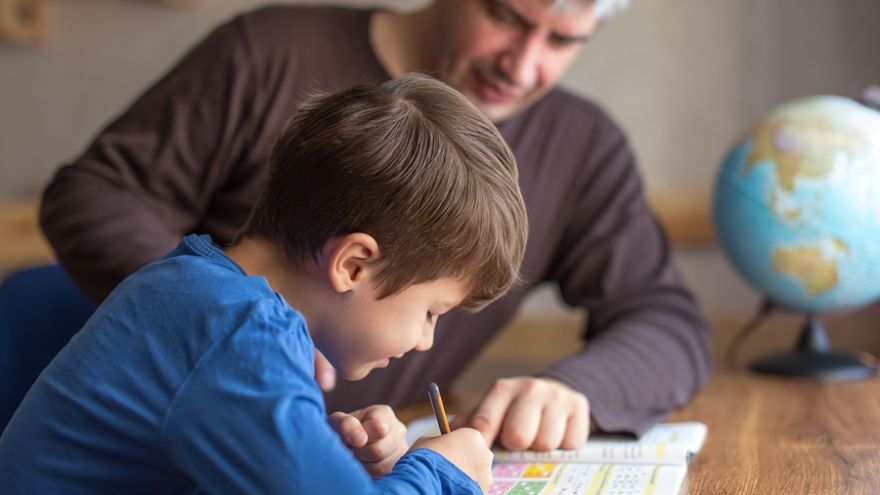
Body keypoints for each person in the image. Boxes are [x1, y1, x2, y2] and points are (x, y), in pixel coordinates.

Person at [39, 0, 712, 448]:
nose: (524, 62)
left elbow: (665, 317)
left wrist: (577, 388)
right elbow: (95, 191)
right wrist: (226, 327)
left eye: (564, 40)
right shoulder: (268, 52)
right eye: (506, 14)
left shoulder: (583, 148)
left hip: (353, 444)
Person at [0, 74, 528, 493]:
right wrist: (440, 473)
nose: (425, 340)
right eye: (432, 312)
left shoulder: (197, 284)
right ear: (354, 265)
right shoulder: (238, 333)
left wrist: (334, 464)